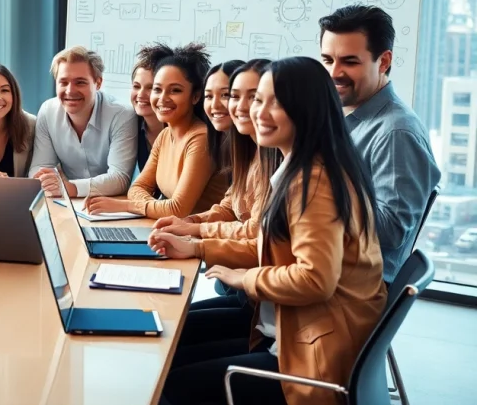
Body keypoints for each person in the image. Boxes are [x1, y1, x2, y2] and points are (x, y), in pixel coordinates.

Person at [152, 57, 386, 405]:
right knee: (169, 356)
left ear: (307, 109)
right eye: (257, 100)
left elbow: (315, 280)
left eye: (274, 102)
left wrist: (242, 279)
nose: (257, 111)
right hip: (290, 333)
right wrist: (197, 247)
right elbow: (268, 242)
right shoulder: (304, 168)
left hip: (309, 361)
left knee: (168, 385)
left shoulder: (313, 182)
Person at [319, 5, 440, 281]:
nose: (334, 73)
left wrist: (314, 197)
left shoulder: (396, 132)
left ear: (383, 62)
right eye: (327, 60)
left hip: (348, 290)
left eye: (349, 62)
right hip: (324, 269)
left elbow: (391, 230)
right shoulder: (341, 116)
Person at [156, 59, 277, 305]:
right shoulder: (246, 150)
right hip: (247, 287)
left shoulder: (277, 159)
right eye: (210, 96)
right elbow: (229, 204)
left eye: (253, 97)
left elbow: (257, 232)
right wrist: (190, 222)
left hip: (262, 293)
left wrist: (196, 234)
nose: (220, 105)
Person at [89, 44, 226, 217]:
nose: (162, 98)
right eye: (157, 89)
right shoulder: (165, 135)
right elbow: (138, 188)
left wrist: (127, 206)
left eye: (175, 90)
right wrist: (154, 206)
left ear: (196, 96)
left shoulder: (201, 139)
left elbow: (177, 209)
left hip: (203, 237)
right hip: (174, 232)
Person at [29, 46, 137, 197]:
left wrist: (69, 188)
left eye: (80, 82)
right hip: (65, 202)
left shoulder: (122, 114)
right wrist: (45, 181)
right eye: (63, 82)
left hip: (110, 206)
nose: (70, 91)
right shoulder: (48, 111)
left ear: (98, 83)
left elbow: (119, 179)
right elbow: (40, 168)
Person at [129, 43, 171, 179]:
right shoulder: (129, 124)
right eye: (136, 86)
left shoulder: (182, 131)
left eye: (151, 88)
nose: (141, 94)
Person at [204, 59, 245, 177]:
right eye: (208, 96)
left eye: (225, 95)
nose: (214, 105)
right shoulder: (220, 144)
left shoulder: (261, 154)